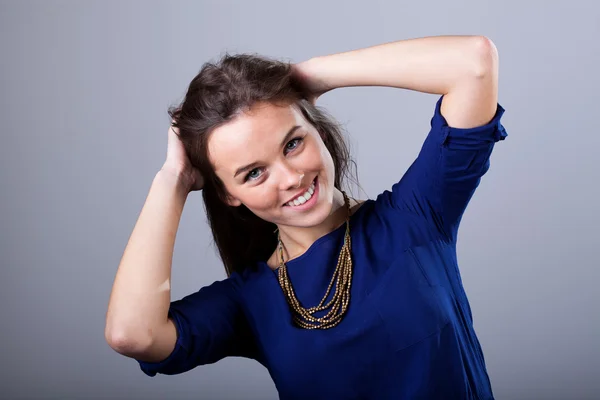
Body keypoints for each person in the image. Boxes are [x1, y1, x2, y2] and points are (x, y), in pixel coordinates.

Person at [105, 35, 507, 399]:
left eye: (293, 143)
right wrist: (172, 180)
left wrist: (310, 75)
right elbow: (132, 334)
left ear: (316, 128)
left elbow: (473, 63)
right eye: (254, 173)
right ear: (229, 194)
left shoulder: (414, 218)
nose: (291, 178)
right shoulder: (251, 300)